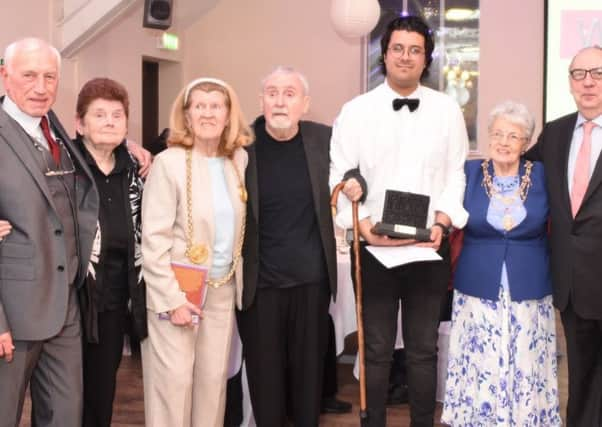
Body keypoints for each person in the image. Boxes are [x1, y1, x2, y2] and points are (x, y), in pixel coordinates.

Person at [330, 15, 469, 427]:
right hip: (375, 249)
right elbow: (340, 173)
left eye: (415, 50)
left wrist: (442, 221)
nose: (405, 57)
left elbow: (456, 173)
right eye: (398, 48)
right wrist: (367, 227)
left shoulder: (446, 110)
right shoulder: (355, 111)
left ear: (426, 59)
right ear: (384, 54)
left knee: (424, 350)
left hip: (429, 247)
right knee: (374, 349)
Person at [441, 101, 561, 426]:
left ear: (526, 142)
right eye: (497, 134)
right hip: (477, 284)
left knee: (526, 360)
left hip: (530, 286)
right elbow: (444, 210)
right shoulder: (467, 173)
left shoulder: (543, 176)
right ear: (488, 137)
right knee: (481, 361)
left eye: (514, 136)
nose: (504, 142)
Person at [141, 77, 252, 427]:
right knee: (172, 386)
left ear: (228, 114)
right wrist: (172, 299)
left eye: (216, 106)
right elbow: (153, 240)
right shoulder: (168, 163)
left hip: (221, 290)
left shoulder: (239, 159)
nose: (207, 113)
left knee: (212, 384)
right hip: (178, 292)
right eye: (199, 106)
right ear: (186, 116)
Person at [0, 38, 100, 426]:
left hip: (65, 307)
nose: (41, 87)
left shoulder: (54, 128)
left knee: (65, 416)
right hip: (13, 312)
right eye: (29, 76)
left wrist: (131, 146)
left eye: (49, 77)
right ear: (5, 76)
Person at [236, 66, 338, 426]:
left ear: (305, 104)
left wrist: (356, 181)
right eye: (272, 93)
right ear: (261, 100)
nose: (280, 101)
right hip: (259, 285)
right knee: (266, 384)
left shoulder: (325, 140)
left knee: (309, 384)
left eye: (289, 93)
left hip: (312, 284)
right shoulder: (238, 143)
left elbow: (358, 167)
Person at [526, 45, 602, 427]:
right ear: (570, 82)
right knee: (582, 372)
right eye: (579, 74)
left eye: (598, 73)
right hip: (572, 280)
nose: (588, 82)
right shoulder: (555, 133)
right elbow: (518, 175)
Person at [73, 77, 147, 427]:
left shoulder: (136, 170)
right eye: (99, 114)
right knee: (64, 394)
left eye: (117, 115)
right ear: (80, 123)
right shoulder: (64, 165)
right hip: (71, 302)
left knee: (102, 393)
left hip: (116, 302)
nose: (108, 122)